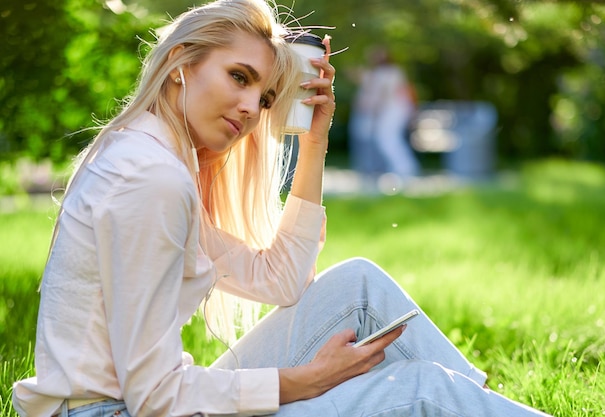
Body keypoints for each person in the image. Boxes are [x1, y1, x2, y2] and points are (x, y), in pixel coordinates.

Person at [13, 0, 552, 416]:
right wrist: (305, 381)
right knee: (421, 389)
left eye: (266, 98)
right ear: (180, 62)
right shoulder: (149, 178)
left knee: (357, 284)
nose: (252, 109)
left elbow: (282, 280)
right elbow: (154, 395)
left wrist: (314, 143)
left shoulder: (153, 155)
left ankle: (487, 403)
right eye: (239, 77)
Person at [348, 45, 421, 186]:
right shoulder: (380, 73)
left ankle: (405, 169)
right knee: (386, 139)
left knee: (388, 139)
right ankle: (402, 169)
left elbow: (383, 94)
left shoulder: (391, 72)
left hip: (395, 111)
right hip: (391, 111)